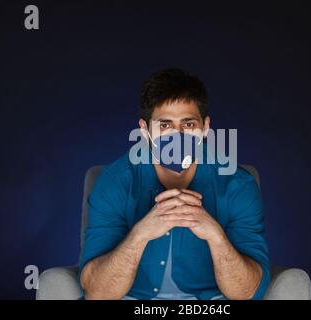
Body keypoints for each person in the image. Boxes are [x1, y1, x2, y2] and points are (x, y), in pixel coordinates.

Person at [79, 68, 270, 300]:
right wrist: (139, 234)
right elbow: (97, 293)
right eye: (165, 125)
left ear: (205, 127)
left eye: (188, 125)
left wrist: (216, 236)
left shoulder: (237, 186)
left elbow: (247, 293)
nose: (177, 136)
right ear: (145, 130)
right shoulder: (115, 183)